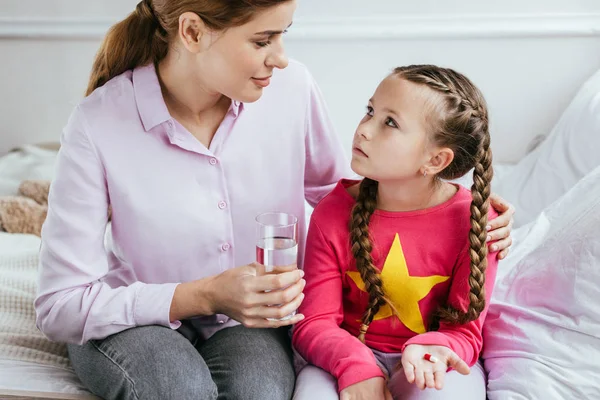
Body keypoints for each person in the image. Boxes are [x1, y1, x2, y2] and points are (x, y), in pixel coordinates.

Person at [33, 0, 515, 398]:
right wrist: (204, 294)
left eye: (284, 34)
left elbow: (346, 197)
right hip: (129, 315)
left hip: (248, 322)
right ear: (193, 32)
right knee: (178, 388)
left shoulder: (291, 88)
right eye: (263, 41)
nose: (280, 58)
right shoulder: (98, 123)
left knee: (260, 393)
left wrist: (459, 208)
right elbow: (60, 305)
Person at [292, 65, 503, 400]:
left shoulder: (476, 222)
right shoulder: (332, 212)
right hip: (343, 356)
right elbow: (313, 323)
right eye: (370, 111)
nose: (364, 130)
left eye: (390, 122)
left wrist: (433, 349)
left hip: (433, 361)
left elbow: (464, 333)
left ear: (435, 160)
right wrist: (355, 366)